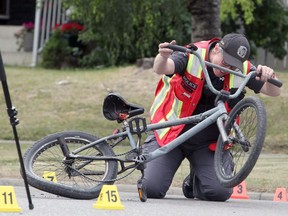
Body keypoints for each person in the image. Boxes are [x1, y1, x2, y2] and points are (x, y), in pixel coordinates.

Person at [142, 33, 281, 201]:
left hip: (208, 143)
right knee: (151, 189)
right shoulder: (192, 54)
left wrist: (270, 77)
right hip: (171, 134)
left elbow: (274, 91)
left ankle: (195, 181)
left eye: (234, 65)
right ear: (216, 49)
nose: (228, 68)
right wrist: (162, 57)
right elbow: (161, 68)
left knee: (219, 192)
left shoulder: (242, 68)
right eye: (225, 62)